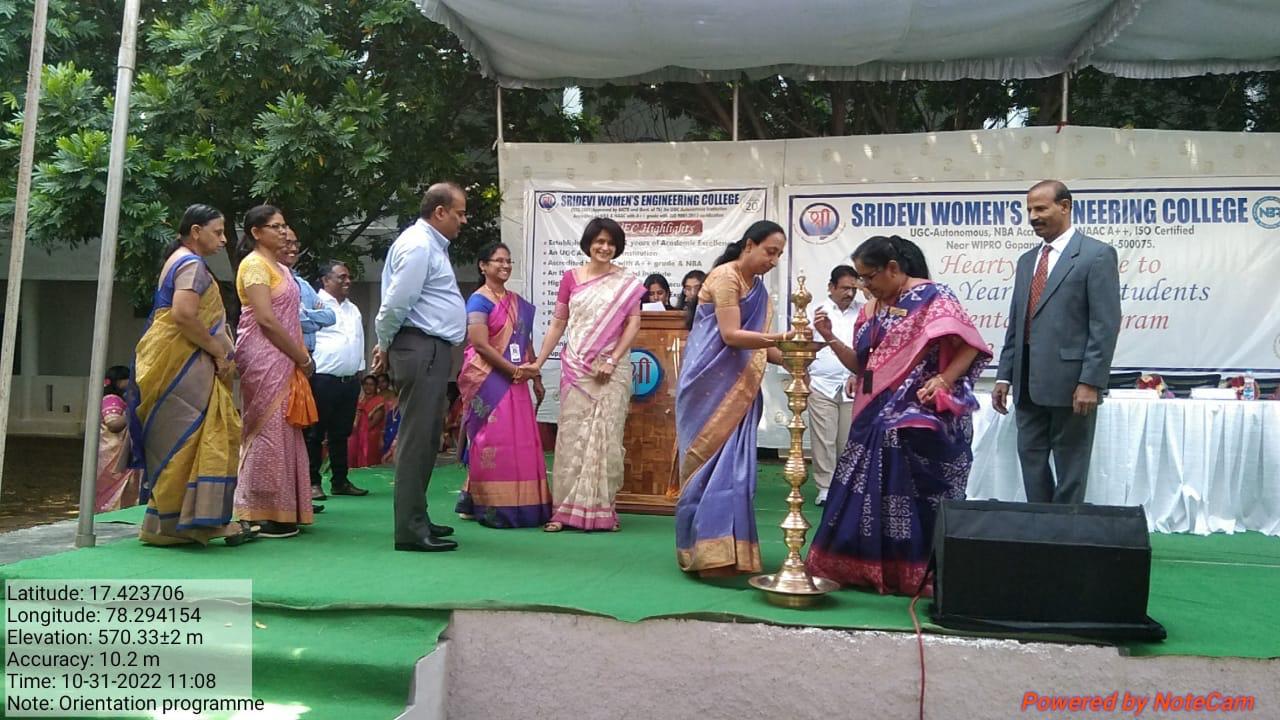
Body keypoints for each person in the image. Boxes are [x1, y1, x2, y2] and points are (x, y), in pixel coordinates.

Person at [805, 235, 990, 595]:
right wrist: (828, 337)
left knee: (920, 494)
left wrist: (943, 379)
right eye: (860, 278)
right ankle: (862, 567)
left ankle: (920, 570)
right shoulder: (870, 311)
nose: (864, 285)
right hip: (874, 413)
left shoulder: (933, 297)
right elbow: (862, 366)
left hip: (923, 414)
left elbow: (970, 345)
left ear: (892, 268)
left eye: (869, 276)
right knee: (861, 487)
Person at [992, 180, 1121, 504]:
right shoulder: (1026, 261)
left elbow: (1105, 325)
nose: (1033, 217)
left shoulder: (1096, 255)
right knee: (1031, 460)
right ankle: (1041, 524)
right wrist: (1004, 375)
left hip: (1072, 386)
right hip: (1025, 384)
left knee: (1071, 466)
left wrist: (1090, 382)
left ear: (1065, 206)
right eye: (1029, 210)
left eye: (1040, 208)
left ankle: (1066, 527)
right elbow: (1017, 323)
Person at [130, 204, 252, 546]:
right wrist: (218, 351)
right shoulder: (190, 264)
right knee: (191, 437)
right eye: (218, 232)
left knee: (180, 438)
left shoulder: (180, 261)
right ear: (196, 231)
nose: (224, 240)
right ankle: (186, 525)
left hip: (170, 359)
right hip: (183, 361)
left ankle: (166, 524)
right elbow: (184, 315)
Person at [674, 220, 787, 577]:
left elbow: (761, 346)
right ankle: (704, 553)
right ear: (749, 245)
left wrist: (795, 358)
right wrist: (781, 339)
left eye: (779, 255)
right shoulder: (726, 277)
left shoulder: (758, 289)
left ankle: (732, 552)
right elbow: (732, 335)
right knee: (708, 470)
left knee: (737, 473)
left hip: (740, 388)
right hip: (707, 387)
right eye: (770, 251)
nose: (774, 260)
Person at [525, 217, 645, 532]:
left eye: (611, 243)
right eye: (599, 242)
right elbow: (558, 323)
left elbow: (633, 323)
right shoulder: (570, 278)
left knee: (607, 437)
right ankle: (563, 511)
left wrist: (612, 359)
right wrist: (538, 362)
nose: (605, 248)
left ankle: (603, 510)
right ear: (589, 244)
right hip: (577, 367)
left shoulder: (626, 282)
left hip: (612, 369)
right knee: (571, 436)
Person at [372, 182, 468, 553]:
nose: (463, 220)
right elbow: (396, 303)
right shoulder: (418, 245)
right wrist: (384, 343)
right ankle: (410, 529)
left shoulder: (430, 245)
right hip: (419, 346)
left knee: (428, 437)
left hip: (429, 348)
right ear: (440, 211)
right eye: (459, 213)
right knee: (417, 438)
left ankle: (418, 517)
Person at [453, 242, 553, 528]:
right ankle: (490, 505)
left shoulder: (516, 302)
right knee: (491, 442)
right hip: (489, 380)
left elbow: (524, 342)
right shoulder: (478, 301)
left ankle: (524, 506)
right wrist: (513, 371)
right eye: (498, 260)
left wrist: (535, 376)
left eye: (508, 260)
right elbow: (480, 345)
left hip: (517, 381)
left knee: (519, 442)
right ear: (483, 266)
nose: (505, 265)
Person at [234, 205, 315, 539]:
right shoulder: (254, 265)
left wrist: (298, 356)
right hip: (263, 354)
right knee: (267, 427)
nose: (283, 232)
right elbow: (266, 320)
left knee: (286, 425)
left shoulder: (280, 267)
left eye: (284, 225)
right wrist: (301, 357)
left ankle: (286, 508)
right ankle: (257, 509)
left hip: (286, 356)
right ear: (256, 232)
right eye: (275, 226)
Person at [306, 260, 369, 499]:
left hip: (349, 380)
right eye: (341, 277)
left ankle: (340, 480)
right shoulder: (315, 304)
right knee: (315, 433)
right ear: (325, 280)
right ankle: (312, 482)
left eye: (348, 277)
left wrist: (360, 371)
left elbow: (358, 340)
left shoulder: (353, 309)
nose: (347, 281)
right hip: (322, 378)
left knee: (341, 433)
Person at [807, 265, 862, 507]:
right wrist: (805, 379)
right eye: (845, 288)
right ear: (831, 287)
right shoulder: (815, 312)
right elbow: (802, 346)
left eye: (853, 289)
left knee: (848, 441)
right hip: (821, 384)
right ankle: (825, 488)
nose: (849, 293)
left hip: (854, 385)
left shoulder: (864, 312)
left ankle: (846, 487)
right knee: (823, 439)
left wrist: (857, 374)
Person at [282, 229, 335, 354]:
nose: (294, 248)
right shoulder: (273, 282)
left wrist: (303, 312)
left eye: (296, 244)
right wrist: (316, 322)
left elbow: (331, 317)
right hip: (286, 355)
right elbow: (288, 320)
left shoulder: (302, 283)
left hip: (309, 355)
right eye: (288, 243)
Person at [95, 366, 140, 513]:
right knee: (113, 493)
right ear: (118, 381)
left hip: (117, 452)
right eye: (128, 379)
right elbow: (113, 425)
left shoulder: (119, 399)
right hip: (113, 455)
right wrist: (132, 412)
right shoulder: (111, 399)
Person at [348, 376, 387, 468]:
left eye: (371, 384)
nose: (368, 387)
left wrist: (360, 431)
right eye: (366, 384)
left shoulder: (379, 401)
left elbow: (374, 422)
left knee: (370, 463)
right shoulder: (359, 401)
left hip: (371, 437)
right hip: (357, 436)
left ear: (376, 386)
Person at [377, 374, 401, 463]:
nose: (381, 384)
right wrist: (381, 436)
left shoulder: (403, 399)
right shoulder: (376, 396)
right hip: (386, 429)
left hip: (399, 431)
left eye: (383, 381)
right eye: (379, 382)